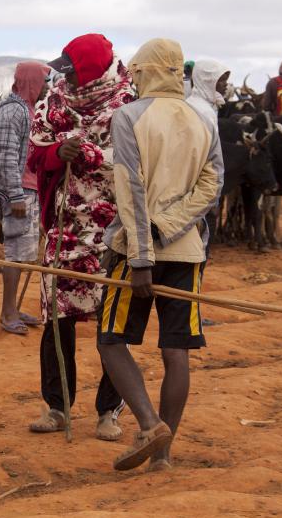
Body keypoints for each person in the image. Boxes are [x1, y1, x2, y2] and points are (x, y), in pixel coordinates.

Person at [97, 37, 220, 472]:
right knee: (175, 351)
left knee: (110, 340)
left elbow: (130, 188)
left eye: (135, 73)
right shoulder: (203, 118)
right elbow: (212, 184)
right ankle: (162, 457)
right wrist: (171, 224)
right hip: (188, 252)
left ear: (147, 72)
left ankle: (150, 425)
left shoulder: (128, 116)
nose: (131, 81)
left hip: (135, 251)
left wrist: (144, 253)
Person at [27, 33, 136, 441]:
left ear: (93, 70)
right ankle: (57, 406)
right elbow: (36, 154)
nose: (67, 78)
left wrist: (91, 153)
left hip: (112, 229)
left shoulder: (127, 104)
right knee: (57, 318)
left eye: (74, 71)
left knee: (112, 322)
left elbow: (135, 161)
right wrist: (60, 153)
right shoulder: (54, 101)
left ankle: (110, 410)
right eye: (65, 70)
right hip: (62, 228)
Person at [0, 61, 50, 335]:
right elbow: (7, 157)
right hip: (19, 192)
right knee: (15, 254)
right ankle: (7, 313)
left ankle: (13, 308)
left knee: (24, 255)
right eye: (43, 81)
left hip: (28, 190)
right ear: (31, 82)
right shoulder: (14, 112)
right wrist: (16, 195)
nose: (46, 87)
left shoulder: (26, 110)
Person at [184, 59, 229, 256]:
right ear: (207, 81)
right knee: (198, 247)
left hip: (201, 188)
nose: (225, 85)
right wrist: (213, 197)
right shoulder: (200, 110)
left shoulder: (206, 106)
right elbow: (208, 156)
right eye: (221, 80)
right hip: (200, 189)